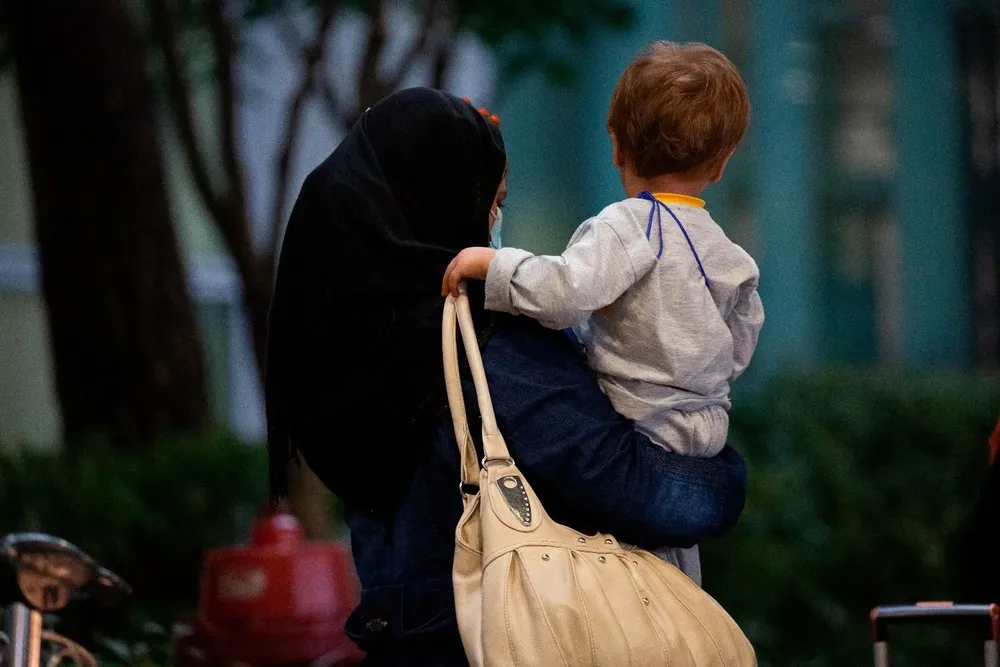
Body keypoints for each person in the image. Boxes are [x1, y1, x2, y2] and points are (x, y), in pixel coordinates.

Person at [264, 87, 748, 667]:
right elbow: (632, 489)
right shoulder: (485, 343)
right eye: (488, 201)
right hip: (496, 634)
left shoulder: (350, 341)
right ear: (442, 198)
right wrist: (725, 482)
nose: (493, 222)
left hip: (399, 630)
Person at [442, 41, 763, 584]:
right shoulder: (730, 255)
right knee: (678, 574)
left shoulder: (626, 227)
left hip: (639, 421)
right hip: (703, 431)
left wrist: (494, 264)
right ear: (723, 161)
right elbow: (743, 337)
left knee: (632, 566)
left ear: (616, 146)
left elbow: (563, 292)